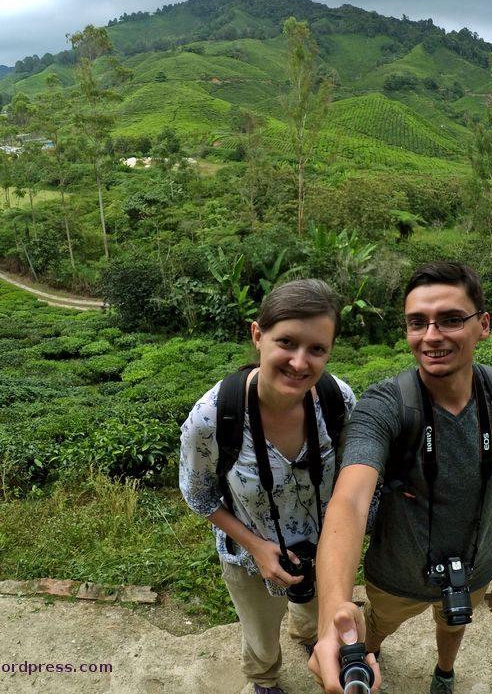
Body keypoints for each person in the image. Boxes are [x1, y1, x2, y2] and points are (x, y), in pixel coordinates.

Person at [310, 262, 492, 694]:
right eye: (418, 323)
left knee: (453, 626)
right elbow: (350, 502)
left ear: (483, 325)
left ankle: (444, 673)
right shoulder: (386, 405)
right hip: (395, 576)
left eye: (451, 320)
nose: (431, 337)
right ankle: (366, 652)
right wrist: (332, 617)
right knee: (378, 624)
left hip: (473, 569)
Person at [180, 279, 356, 694]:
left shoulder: (337, 401)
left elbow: (356, 474)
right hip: (249, 558)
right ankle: (264, 679)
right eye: (287, 342)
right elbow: (198, 495)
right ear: (257, 334)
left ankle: (309, 633)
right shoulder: (213, 418)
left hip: (323, 549)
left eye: (317, 349)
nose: (300, 362)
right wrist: (257, 548)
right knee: (260, 634)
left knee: (315, 614)